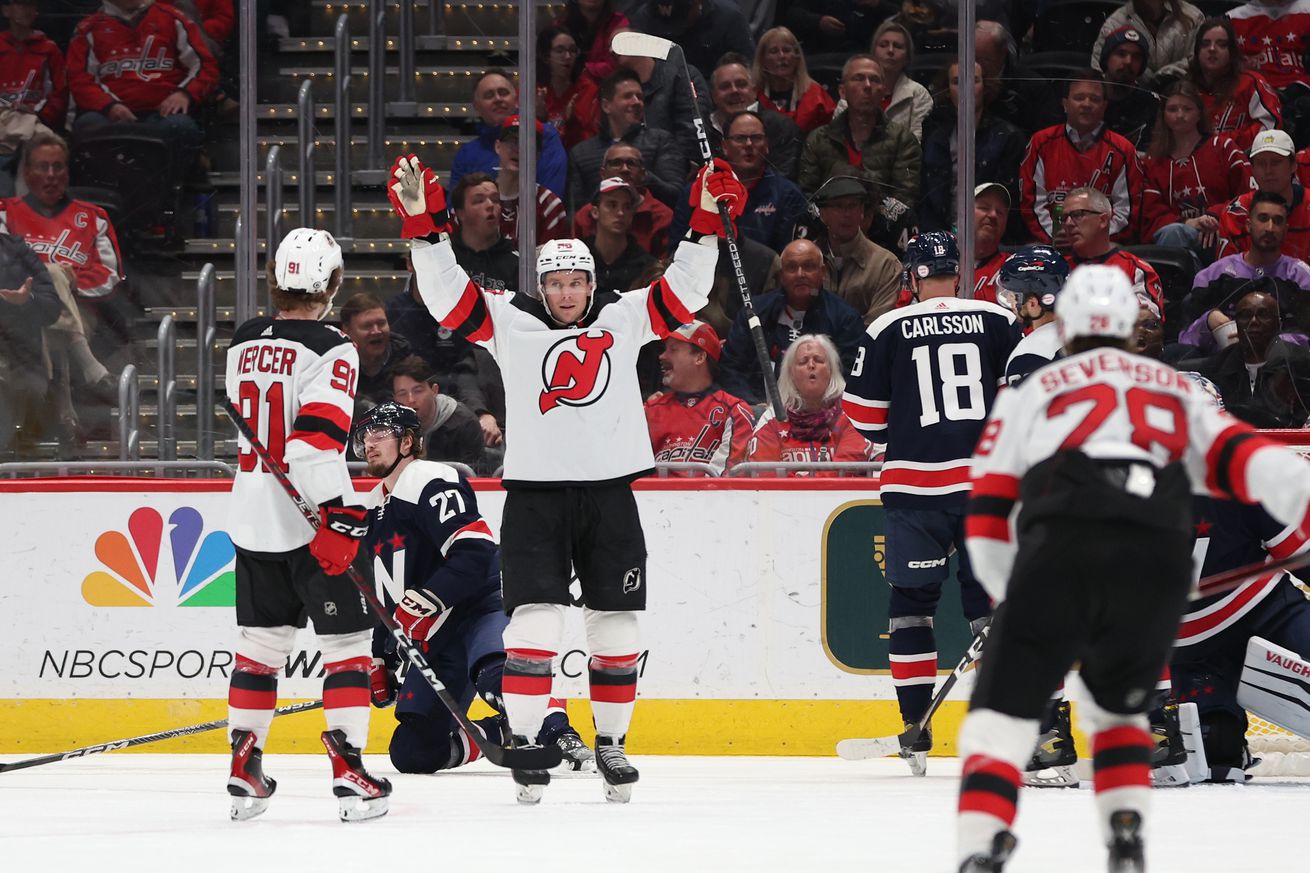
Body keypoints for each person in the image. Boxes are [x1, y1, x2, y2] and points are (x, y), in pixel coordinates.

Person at [387, 150, 738, 802]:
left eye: (578, 281)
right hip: (536, 498)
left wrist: (707, 220)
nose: (569, 293)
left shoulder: (622, 314)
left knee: (616, 626)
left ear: (590, 282)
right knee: (534, 626)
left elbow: (688, 288)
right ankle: (525, 743)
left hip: (609, 494)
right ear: (542, 287)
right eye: (558, 283)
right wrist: (425, 228)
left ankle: (611, 744)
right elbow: (445, 294)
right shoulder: (510, 322)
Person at [954, 264, 1310, 872]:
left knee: (997, 723)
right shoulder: (1171, 392)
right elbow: (1266, 470)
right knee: (1136, 720)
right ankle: (1125, 835)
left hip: (1072, 569)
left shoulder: (1032, 392)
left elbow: (986, 507)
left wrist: (1005, 589)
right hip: (1157, 591)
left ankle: (982, 845)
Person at [223, 227, 388, 823]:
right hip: (313, 522)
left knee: (260, 649)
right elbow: (312, 451)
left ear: (275, 280)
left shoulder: (241, 341)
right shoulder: (333, 347)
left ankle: (245, 766)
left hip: (252, 517)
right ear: (334, 283)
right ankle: (349, 770)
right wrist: (340, 518)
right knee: (346, 648)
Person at [842, 231, 1021, 776]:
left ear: (912, 278)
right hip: (982, 488)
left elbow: (865, 420)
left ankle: (915, 730)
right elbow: (1022, 397)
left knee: (911, 607)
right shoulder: (997, 320)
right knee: (990, 613)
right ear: (957, 275)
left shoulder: (886, 327)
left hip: (914, 491)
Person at [353, 401, 595, 774]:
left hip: (476, 610)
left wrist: (430, 600)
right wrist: (382, 657)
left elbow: (474, 551)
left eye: (381, 433)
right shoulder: (373, 507)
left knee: (495, 679)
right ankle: (498, 731)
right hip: (434, 637)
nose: (370, 442)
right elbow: (388, 594)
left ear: (407, 442)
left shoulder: (430, 479)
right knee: (413, 753)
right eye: (366, 435)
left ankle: (562, 736)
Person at [0, 131, 120, 402]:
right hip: (18, 310)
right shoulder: (4, 213)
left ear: (68, 172)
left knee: (54, 276)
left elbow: (110, 276)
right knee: (49, 275)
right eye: (43, 167)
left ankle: (41, 401)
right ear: (28, 172)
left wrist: (69, 282)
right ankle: (88, 368)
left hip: (79, 314)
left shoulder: (93, 217)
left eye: (58, 166)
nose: (52, 174)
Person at [718, 238, 864, 405]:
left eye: (809, 266)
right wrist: (751, 405)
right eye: (792, 268)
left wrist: (816, 409)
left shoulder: (845, 319)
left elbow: (850, 377)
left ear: (823, 272)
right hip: (759, 410)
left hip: (822, 414)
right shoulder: (754, 314)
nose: (800, 274)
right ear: (781, 275)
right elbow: (732, 369)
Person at [66, 0, 216, 159]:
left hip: (162, 114)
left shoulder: (173, 18)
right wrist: (109, 106)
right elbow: (80, 80)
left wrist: (184, 94)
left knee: (181, 127)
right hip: (110, 116)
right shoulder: (87, 29)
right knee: (89, 125)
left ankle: (174, 183)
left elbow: (206, 66)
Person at [1018, 70, 1144, 246]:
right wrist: (1055, 235)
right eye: (1079, 97)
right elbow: (1031, 203)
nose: (1087, 104)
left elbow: (1127, 212)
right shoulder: (1041, 143)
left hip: (1103, 246)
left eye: (1095, 99)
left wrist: (1093, 239)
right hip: (1051, 242)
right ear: (1065, 104)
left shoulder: (1123, 150)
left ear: (1104, 106)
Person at [1178, 193, 1310, 359]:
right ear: (1248, 225)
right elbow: (1184, 338)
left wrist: (1270, 341)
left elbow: (1306, 334)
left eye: (1277, 221)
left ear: (1285, 230)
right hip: (1222, 368)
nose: (1270, 228)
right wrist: (1208, 321)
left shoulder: (1301, 277)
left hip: (1281, 371)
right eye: (1263, 218)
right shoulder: (1213, 275)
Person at [385, 261, 500, 447]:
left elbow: (470, 368)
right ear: (409, 264)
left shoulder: (460, 308)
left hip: (457, 403)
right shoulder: (393, 310)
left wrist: (479, 412)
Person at [669, 110, 805, 255]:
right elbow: (677, 251)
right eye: (740, 138)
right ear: (724, 147)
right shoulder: (697, 193)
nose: (748, 144)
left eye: (756, 138)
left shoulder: (788, 195)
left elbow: (791, 257)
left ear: (766, 145)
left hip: (767, 274)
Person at [1141, 81, 1251, 256]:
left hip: (1224, 231)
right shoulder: (1152, 161)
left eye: (1187, 109)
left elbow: (1247, 195)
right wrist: (1189, 222)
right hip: (1178, 235)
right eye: (1172, 109)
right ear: (1163, 115)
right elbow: (1151, 215)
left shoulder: (1224, 148)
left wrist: (1215, 217)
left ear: (1200, 113)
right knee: (1173, 233)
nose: (1180, 115)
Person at [919, 59, 1026, 237]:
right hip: (939, 236)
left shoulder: (1008, 137)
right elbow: (925, 198)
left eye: (973, 81)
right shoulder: (935, 136)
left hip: (991, 237)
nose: (965, 88)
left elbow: (1010, 203)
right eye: (957, 82)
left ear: (985, 86)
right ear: (948, 89)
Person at [798, 55, 922, 208]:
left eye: (875, 80)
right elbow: (807, 196)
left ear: (883, 92)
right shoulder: (818, 139)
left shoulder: (903, 139)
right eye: (859, 78)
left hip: (882, 229)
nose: (868, 85)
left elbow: (905, 199)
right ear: (842, 91)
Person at [744, 333, 872, 474]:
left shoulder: (852, 414)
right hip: (783, 496)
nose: (811, 365)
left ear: (831, 370)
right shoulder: (773, 417)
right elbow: (763, 474)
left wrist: (804, 486)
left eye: (819, 360)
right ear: (791, 374)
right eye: (803, 362)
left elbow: (847, 469)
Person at [566, 67, 685, 213]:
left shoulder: (661, 140)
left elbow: (676, 195)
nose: (636, 102)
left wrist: (642, 176)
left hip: (649, 229)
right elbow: (575, 213)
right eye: (628, 96)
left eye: (640, 96)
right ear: (606, 106)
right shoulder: (581, 154)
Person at [645, 320, 754, 475]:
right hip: (650, 498)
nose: (662, 356)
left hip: (708, 498)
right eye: (665, 349)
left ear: (700, 358)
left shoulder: (734, 410)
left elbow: (729, 478)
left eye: (673, 349)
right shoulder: (650, 409)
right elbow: (630, 470)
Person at [1187, 289, 1310, 428]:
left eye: (1263, 315)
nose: (1254, 321)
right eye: (1245, 315)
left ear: (1278, 323)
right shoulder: (1215, 368)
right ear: (1237, 323)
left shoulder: (1301, 363)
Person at [449, 70, 568, 198]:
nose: (498, 99)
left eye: (503, 93)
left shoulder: (542, 135)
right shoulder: (467, 154)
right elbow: (456, 207)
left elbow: (551, 196)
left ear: (516, 99)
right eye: (489, 95)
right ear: (476, 106)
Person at [1061, 187, 1166, 321]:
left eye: (1078, 214)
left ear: (1103, 220)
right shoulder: (1055, 269)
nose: (1068, 223)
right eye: (1064, 218)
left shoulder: (1135, 269)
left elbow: (1147, 324)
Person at [614, 25, 712, 169]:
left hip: (682, 169)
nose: (612, 49)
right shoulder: (617, 87)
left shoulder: (681, 74)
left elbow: (692, 127)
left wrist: (677, 166)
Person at [810, 175, 901, 325]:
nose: (847, 214)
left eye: (853, 206)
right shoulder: (805, 261)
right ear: (823, 214)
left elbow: (879, 327)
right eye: (838, 206)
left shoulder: (885, 264)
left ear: (862, 212)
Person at [0, 229, 58, 459]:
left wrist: (26, 301)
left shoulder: (17, 250)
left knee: (25, 390)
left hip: (20, 357)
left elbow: (52, 308)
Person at [1213, 129, 1310, 263]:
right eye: (1261, 163)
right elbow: (1226, 274)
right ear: (1252, 169)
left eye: (1276, 162)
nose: (1268, 171)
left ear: (1293, 165)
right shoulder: (1235, 214)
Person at [0, 0, 66, 196]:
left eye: (30, 6)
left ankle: (31, 214)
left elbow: (60, 94)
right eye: (21, 5)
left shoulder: (49, 49)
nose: (26, 11)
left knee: (48, 148)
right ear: (6, 10)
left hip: (35, 121)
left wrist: (41, 115)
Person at [1187, 17, 1281, 152]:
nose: (1212, 49)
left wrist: (1225, 144)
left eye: (1221, 44)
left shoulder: (1251, 83)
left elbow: (1270, 126)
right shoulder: (1186, 88)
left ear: (1232, 52)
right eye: (1205, 44)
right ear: (1196, 51)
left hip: (1245, 162)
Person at [707, 55, 802, 181]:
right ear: (713, 95)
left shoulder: (781, 127)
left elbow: (784, 180)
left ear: (754, 90)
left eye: (741, 84)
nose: (734, 91)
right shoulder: (701, 129)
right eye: (725, 87)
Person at [571, 143, 672, 258]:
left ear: (643, 174)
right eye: (616, 163)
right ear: (603, 174)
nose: (625, 169)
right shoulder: (585, 216)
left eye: (631, 163)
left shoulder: (663, 217)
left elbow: (664, 267)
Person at [389, 356, 486, 473]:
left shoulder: (465, 424)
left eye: (418, 391)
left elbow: (475, 478)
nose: (410, 400)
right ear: (394, 398)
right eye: (402, 393)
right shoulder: (388, 428)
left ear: (434, 390)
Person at [626, 0, 756, 80]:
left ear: (697, 2)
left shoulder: (729, 19)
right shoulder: (644, 20)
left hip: (718, 101)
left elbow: (748, 71)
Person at [998, 245, 1071, 387]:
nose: (1009, 300)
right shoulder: (1085, 337)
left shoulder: (1031, 353)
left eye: (1013, 295)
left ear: (1032, 303)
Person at [493, 116, 567, 246]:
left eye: (527, 143)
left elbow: (549, 260)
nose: (518, 149)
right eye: (512, 141)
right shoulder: (479, 200)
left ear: (537, 155)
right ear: (498, 146)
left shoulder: (549, 205)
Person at [1091, 0, 1204, 86]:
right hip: (1132, 104)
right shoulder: (1115, 23)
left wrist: (1165, 76)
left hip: (1180, 103)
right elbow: (1098, 72)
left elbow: (1199, 60)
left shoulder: (1193, 18)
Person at [752, 26, 836, 134]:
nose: (782, 56)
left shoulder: (817, 96)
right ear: (762, 60)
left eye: (787, 50)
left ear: (797, 57)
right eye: (774, 51)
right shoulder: (752, 96)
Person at [449, 172, 520, 293]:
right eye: (479, 200)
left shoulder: (516, 263)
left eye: (495, 199)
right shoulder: (445, 256)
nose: (490, 205)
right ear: (460, 213)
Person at [338, 293, 411, 409]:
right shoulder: (335, 361)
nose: (376, 331)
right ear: (347, 330)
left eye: (381, 323)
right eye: (367, 326)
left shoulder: (405, 357)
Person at [586, 177, 657, 295]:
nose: (620, 212)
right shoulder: (579, 257)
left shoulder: (645, 266)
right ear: (595, 212)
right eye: (612, 205)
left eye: (627, 207)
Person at [535, 26, 600, 150]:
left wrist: (573, 122)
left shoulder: (588, 90)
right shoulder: (533, 91)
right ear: (546, 57)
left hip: (578, 160)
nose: (568, 56)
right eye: (560, 51)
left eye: (572, 50)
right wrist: (539, 119)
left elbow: (593, 141)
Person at [868, 20, 933, 142]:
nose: (890, 50)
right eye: (883, 45)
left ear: (907, 57)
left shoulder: (918, 94)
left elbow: (915, 146)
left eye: (898, 46)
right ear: (873, 52)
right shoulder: (855, 89)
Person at [1100, 26, 1160, 151]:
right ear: (1107, 58)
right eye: (1121, 54)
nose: (1128, 61)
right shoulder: (1087, 97)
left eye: (1136, 57)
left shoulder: (1151, 104)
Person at [553, 0, 628, 83]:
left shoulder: (619, 22)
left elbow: (618, 65)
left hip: (609, 89)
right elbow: (555, 66)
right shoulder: (560, 25)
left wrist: (582, 70)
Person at [971, 183, 1013, 304]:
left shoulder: (1012, 269)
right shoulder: (943, 265)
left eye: (1000, 212)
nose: (993, 215)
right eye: (984, 208)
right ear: (964, 212)